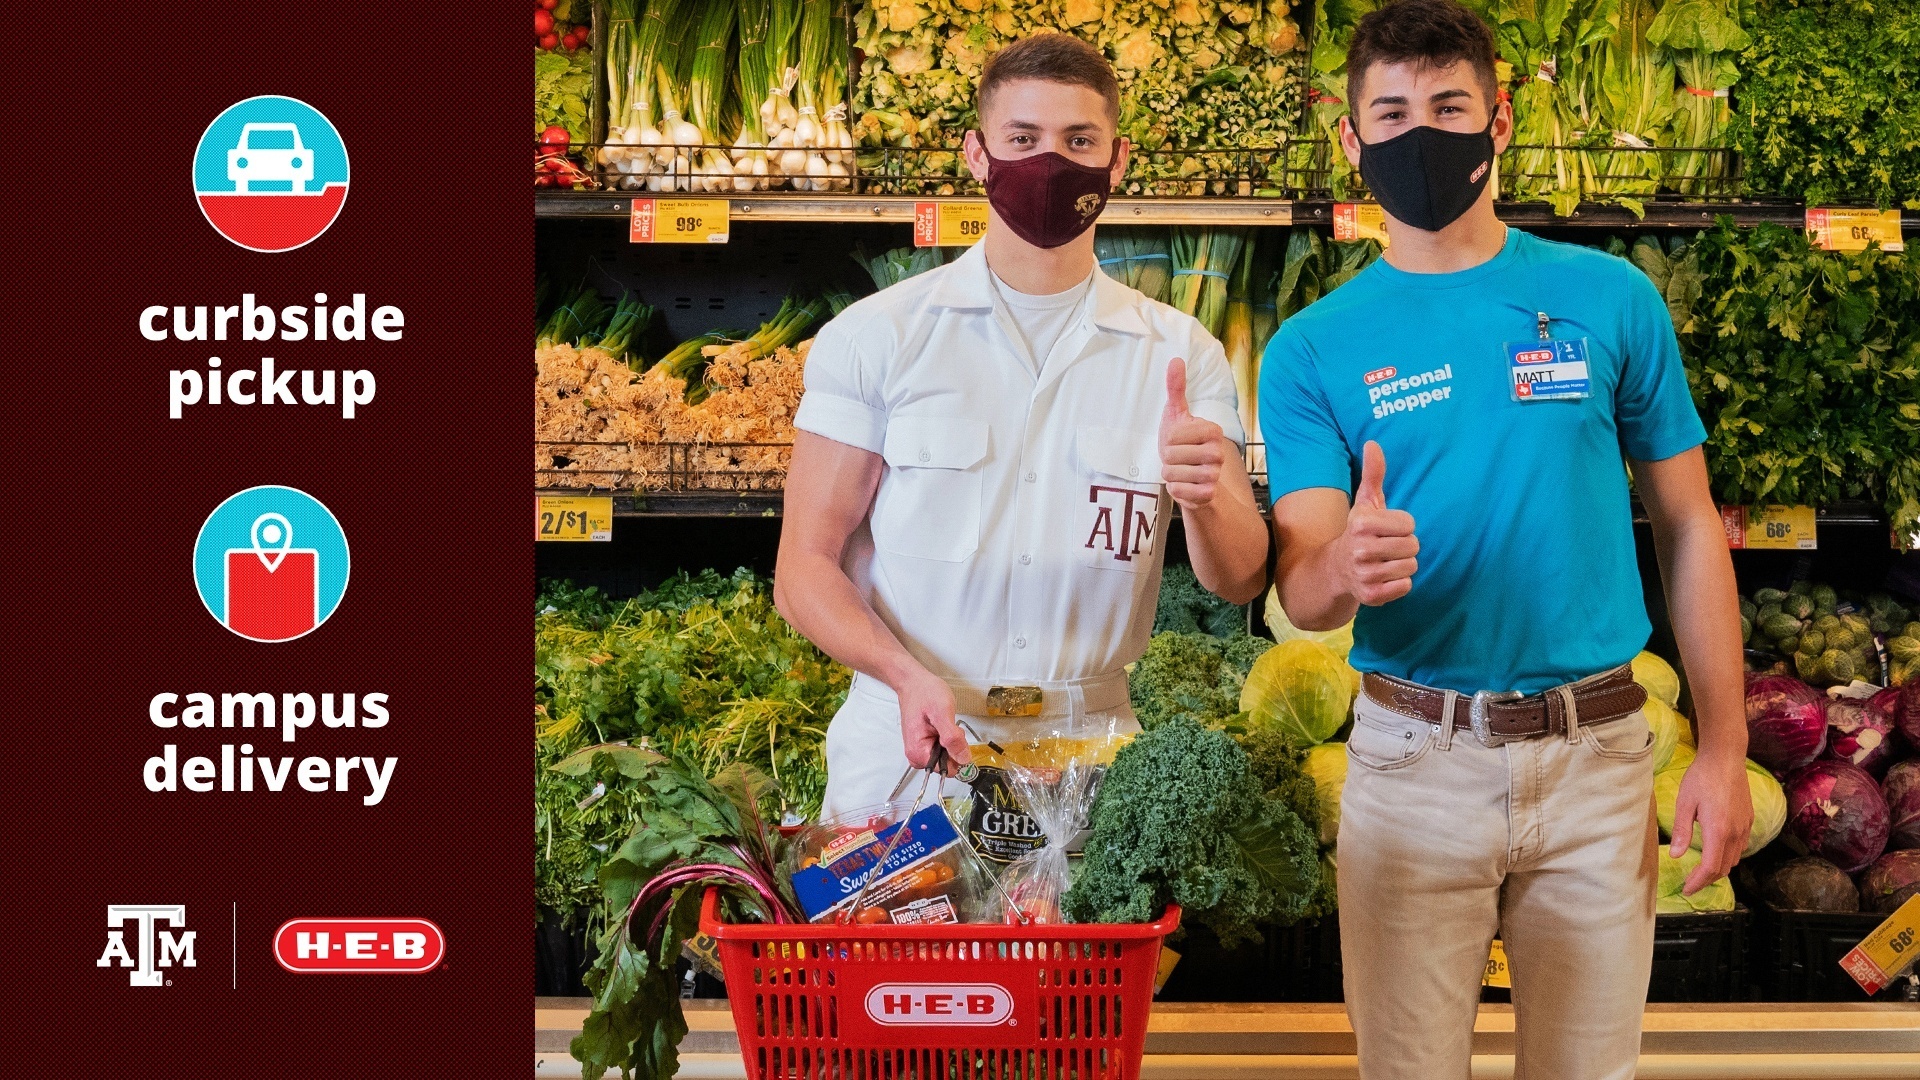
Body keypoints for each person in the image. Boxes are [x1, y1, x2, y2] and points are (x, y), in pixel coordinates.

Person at [1257, 1, 1753, 1077]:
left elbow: (1689, 527)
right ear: (1349, 141)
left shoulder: (1608, 297)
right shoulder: (1310, 350)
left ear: (1501, 120)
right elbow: (1301, 586)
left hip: (1601, 759)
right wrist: (1341, 565)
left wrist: (1722, 746)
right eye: (1388, 113)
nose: (1418, 134)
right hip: (1411, 765)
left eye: (1447, 106)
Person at [775, 33, 1269, 818]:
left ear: (1118, 161)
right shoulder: (879, 337)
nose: (1050, 163)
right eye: (1023, 139)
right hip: (909, 747)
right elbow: (802, 568)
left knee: (1079, 949)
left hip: (1089, 751)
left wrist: (1207, 495)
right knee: (898, 944)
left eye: (1079, 141)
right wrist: (903, 675)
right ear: (977, 154)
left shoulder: (1181, 354)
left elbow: (1239, 578)